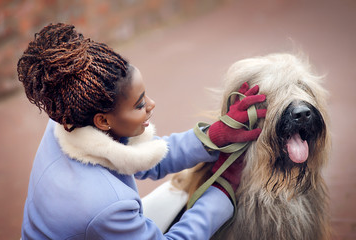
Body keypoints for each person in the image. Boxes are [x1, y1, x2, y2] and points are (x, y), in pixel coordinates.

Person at [18, 23, 266, 239]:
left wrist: (213, 138)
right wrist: (223, 190)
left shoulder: (70, 117)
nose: (151, 104)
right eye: (139, 105)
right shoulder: (108, 206)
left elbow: (139, 158)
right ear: (103, 121)